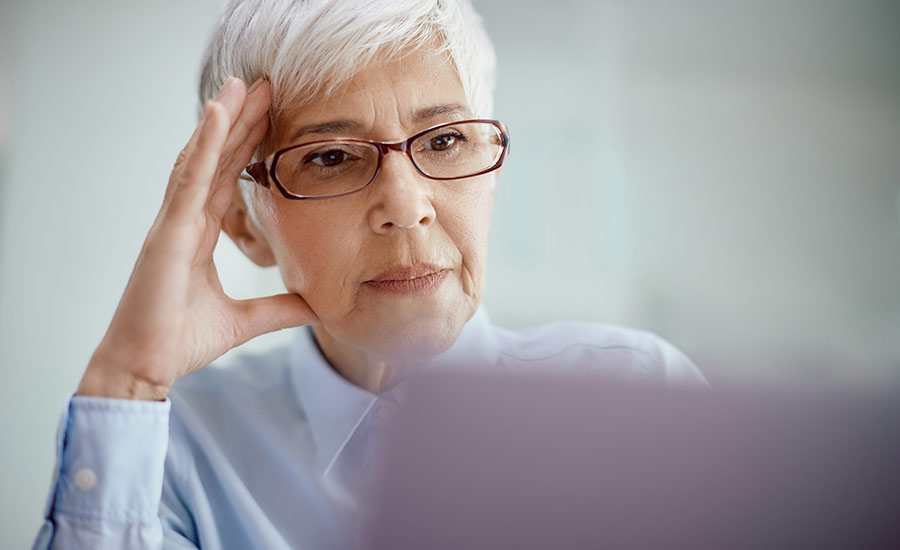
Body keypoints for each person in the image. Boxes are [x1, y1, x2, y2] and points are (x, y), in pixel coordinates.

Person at [33, 0, 708, 548]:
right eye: (330, 157)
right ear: (245, 225)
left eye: (445, 141)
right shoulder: (169, 450)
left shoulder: (635, 397)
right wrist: (127, 381)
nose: (406, 209)